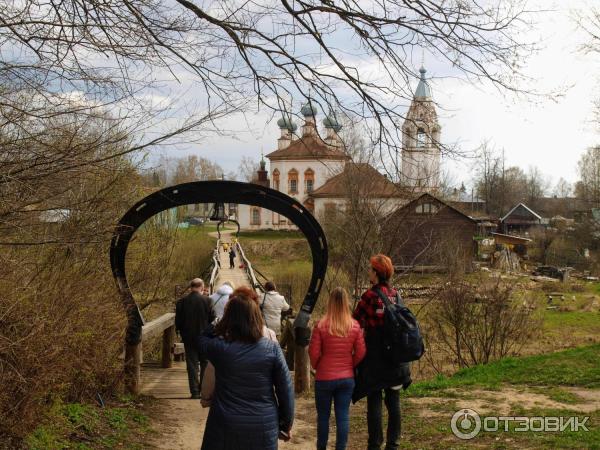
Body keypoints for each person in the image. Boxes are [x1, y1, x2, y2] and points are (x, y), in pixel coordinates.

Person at [198, 294, 294, 450]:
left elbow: (202, 339)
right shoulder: (272, 349)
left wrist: (219, 321)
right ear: (257, 316)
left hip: (224, 424)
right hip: (263, 423)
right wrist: (285, 423)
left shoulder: (220, 348)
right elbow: (286, 389)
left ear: (228, 319)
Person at [352, 254, 411, 450]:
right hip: (395, 359)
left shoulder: (369, 297)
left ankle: (375, 444)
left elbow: (355, 321)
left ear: (376, 273)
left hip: (375, 358)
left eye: (370, 269)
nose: (368, 271)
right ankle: (393, 444)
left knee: (374, 401)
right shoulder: (396, 295)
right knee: (394, 402)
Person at [309, 287, 366, 450]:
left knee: (323, 417)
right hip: (346, 378)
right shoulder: (354, 326)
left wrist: (317, 365)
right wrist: (351, 364)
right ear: (346, 303)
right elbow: (361, 351)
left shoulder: (321, 325)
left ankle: (321, 447)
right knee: (343, 416)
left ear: (330, 303)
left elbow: (313, 352)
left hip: (324, 377)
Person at [175, 278, 215, 399]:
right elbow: (212, 319)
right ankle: (203, 390)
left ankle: (194, 392)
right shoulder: (207, 300)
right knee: (204, 363)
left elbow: (178, 321)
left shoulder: (182, 302)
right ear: (202, 287)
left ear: (191, 287)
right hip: (204, 337)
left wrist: (181, 332)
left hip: (188, 337)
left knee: (192, 364)